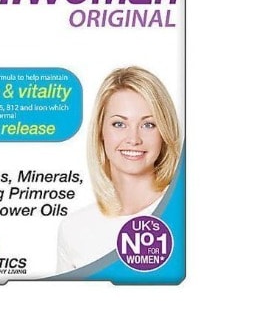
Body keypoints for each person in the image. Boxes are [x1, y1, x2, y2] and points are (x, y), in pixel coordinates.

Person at [56, 66, 181, 273]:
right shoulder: (74, 229)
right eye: (119, 124)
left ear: (164, 132)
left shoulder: (185, 214)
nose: (133, 139)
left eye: (148, 125)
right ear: (100, 132)